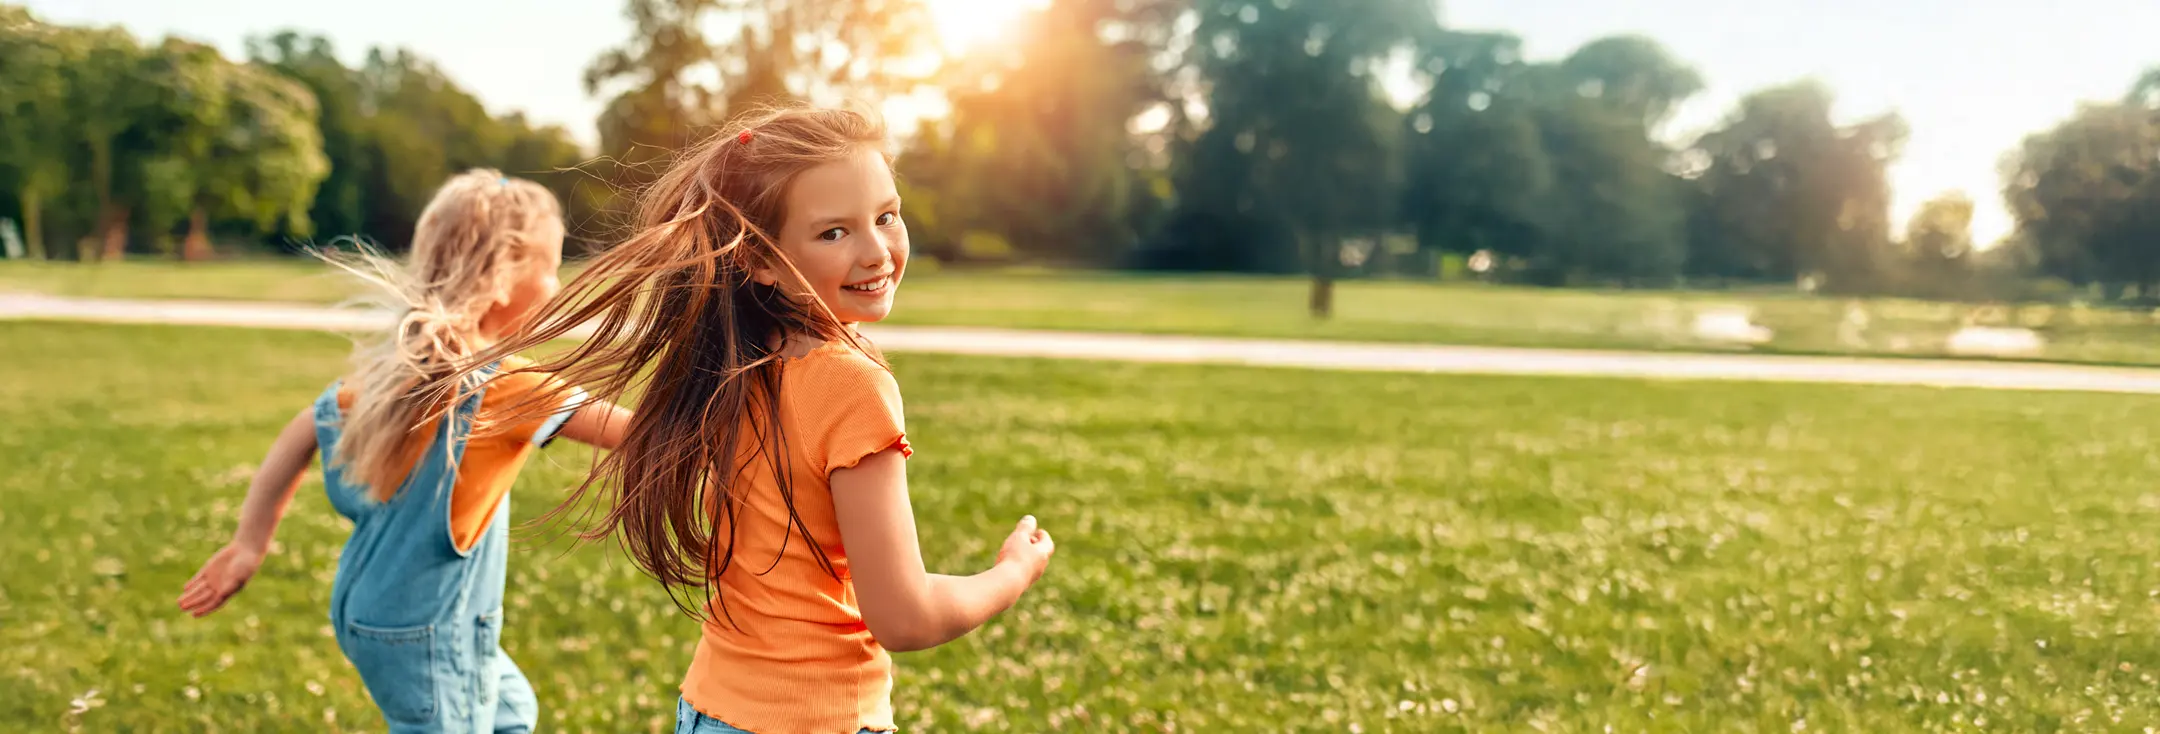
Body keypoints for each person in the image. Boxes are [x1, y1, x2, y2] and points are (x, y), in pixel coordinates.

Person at [438, 106, 1058, 734]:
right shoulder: (852, 385)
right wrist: (1010, 572)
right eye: (834, 233)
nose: (877, 252)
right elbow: (904, 617)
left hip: (709, 709)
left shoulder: (734, 362)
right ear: (761, 260)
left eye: (886, 217)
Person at [176, 169, 631, 733]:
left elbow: (301, 432)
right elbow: (637, 432)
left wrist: (249, 544)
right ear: (506, 277)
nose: (557, 288)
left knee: (511, 712)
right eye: (551, 268)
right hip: (430, 631)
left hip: (383, 616)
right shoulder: (505, 385)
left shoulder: (396, 375)